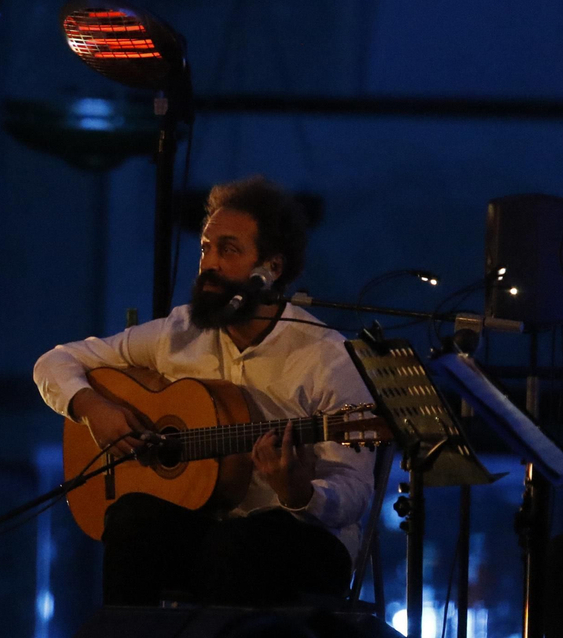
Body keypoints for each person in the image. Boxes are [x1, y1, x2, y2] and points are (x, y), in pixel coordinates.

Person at [33, 176, 375, 606]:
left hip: (307, 539)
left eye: (228, 250)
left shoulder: (329, 357)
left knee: (238, 544)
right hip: (210, 525)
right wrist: (91, 407)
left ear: (271, 268)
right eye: (205, 248)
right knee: (130, 519)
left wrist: (299, 492)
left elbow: (354, 492)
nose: (209, 263)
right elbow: (55, 362)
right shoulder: (179, 333)